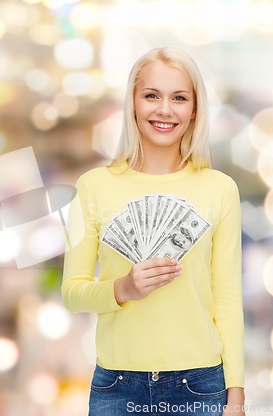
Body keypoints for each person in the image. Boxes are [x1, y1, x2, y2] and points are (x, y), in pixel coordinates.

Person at [62, 47, 245, 416]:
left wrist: (236, 398)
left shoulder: (220, 189)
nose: (165, 110)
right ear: (132, 103)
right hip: (116, 385)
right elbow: (72, 293)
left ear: (194, 109)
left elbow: (226, 299)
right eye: (151, 96)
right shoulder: (93, 186)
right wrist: (123, 288)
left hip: (201, 385)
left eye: (179, 98)